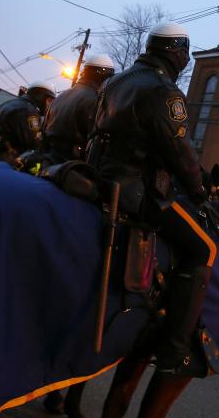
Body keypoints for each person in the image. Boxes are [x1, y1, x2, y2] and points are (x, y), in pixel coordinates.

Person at [86, 22, 211, 375]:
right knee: (204, 250)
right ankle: (174, 350)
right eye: (184, 52)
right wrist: (199, 190)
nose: (185, 59)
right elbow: (180, 153)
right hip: (134, 192)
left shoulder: (115, 82)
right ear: (176, 52)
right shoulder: (165, 92)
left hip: (97, 180)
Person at [41, 54, 115, 164]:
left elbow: (44, 130)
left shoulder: (60, 96)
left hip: (47, 160)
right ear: (104, 76)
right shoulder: (95, 100)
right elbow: (95, 141)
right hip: (71, 167)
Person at [0, 82, 56, 165]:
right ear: (48, 100)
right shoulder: (28, 111)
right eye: (51, 103)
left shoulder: (9, 104)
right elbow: (36, 144)